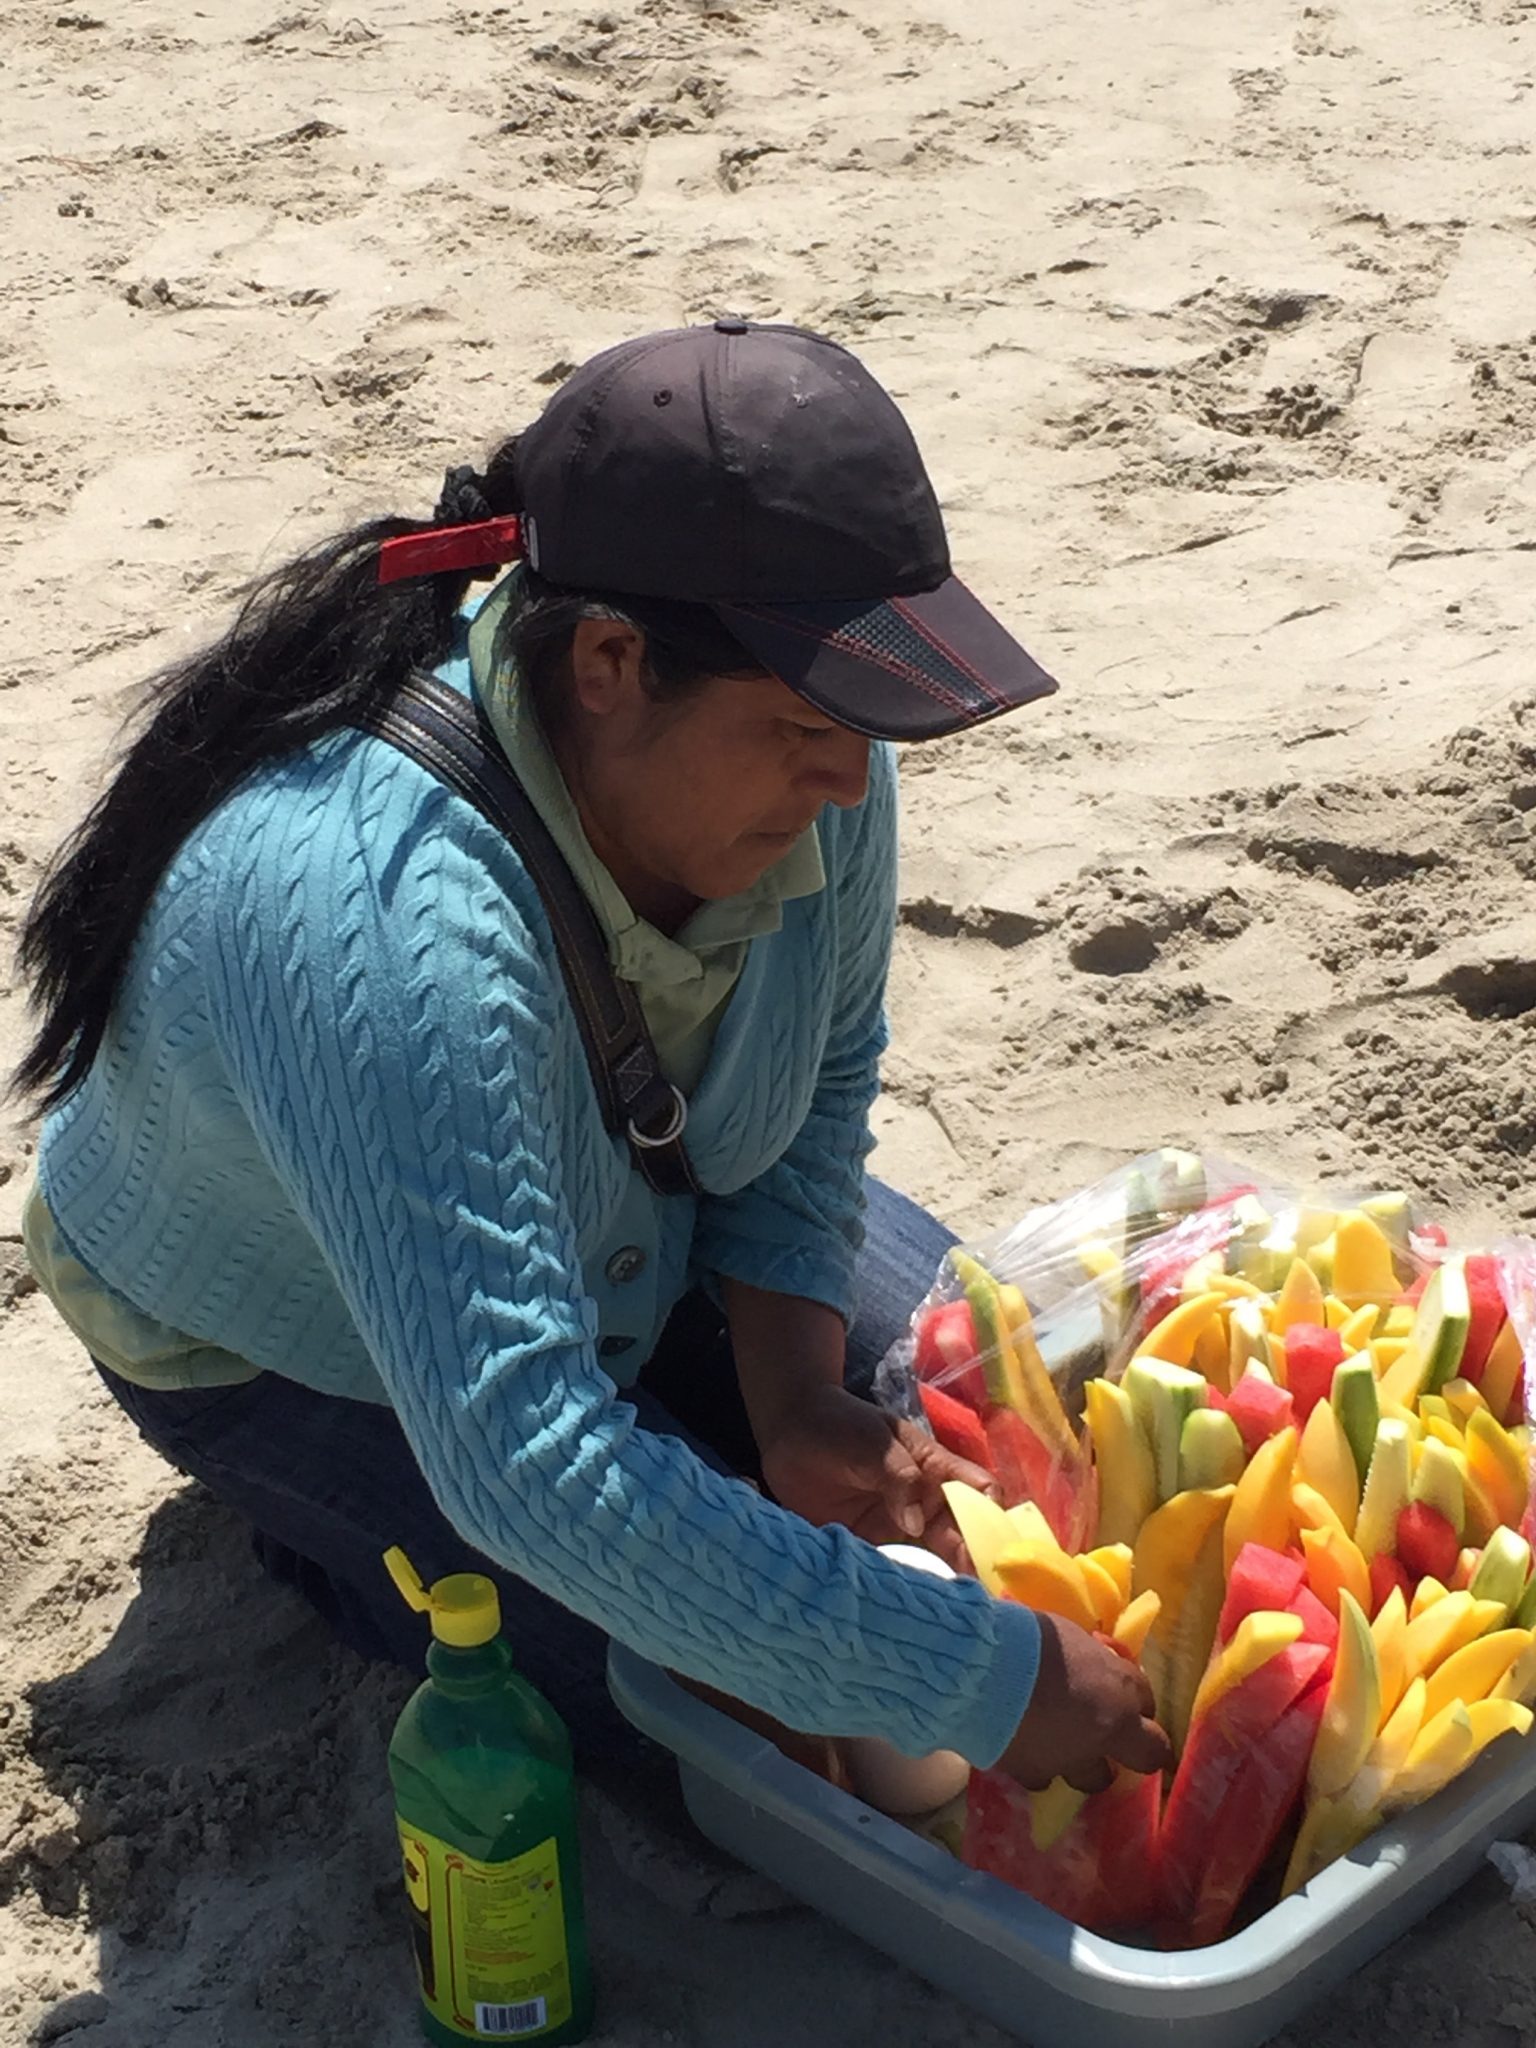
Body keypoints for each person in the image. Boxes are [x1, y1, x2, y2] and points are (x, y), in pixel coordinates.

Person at [13, 319, 1169, 1796]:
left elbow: (819, 1086)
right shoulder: (382, 917)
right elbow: (528, 1455)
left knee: (1008, 1429)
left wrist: (796, 1399)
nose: (849, 781)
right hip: (286, 1342)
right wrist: (975, 1681)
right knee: (770, 1747)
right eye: (811, 725)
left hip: (642, 1198)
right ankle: (330, 1553)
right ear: (614, 662)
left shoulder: (825, 753)